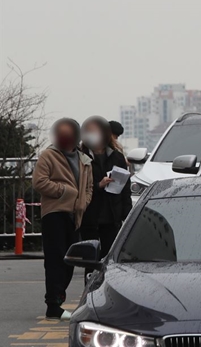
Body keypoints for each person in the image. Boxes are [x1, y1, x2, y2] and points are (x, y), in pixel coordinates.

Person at [32, 118, 93, 320]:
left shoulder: (84, 159)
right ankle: (53, 305)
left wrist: (83, 201)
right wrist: (65, 191)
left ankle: (57, 300)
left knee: (70, 260)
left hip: (75, 215)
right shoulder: (48, 156)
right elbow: (39, 182)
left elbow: (89, 187)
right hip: (55, 214)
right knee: (55, 260)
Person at [79, 116, 132, 279]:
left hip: (111, 214)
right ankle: (89, 291)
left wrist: (126, 214)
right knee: (90, 260)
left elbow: (126, 189)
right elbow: (78, 186)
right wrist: (98, 185)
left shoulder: (117, 157)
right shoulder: (81, 157)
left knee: (109, 259)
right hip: (90, 214)